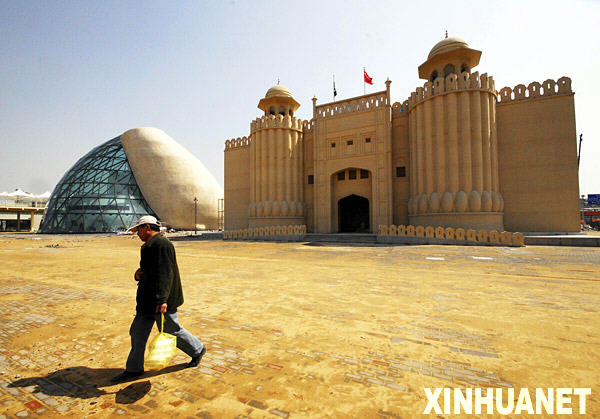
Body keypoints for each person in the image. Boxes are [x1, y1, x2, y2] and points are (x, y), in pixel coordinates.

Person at [111, 215, 206, 382]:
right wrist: (138, 274)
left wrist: (162, 299)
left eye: (138, 229)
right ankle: (134, 369)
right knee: (137, 332)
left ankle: (197, 350)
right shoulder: (150, 245)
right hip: (148, 299)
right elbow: (150, 269)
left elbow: (165, 273)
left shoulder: (162, 244)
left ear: (147, 227)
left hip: (160, 300)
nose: (137, 233)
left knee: (171, 329)